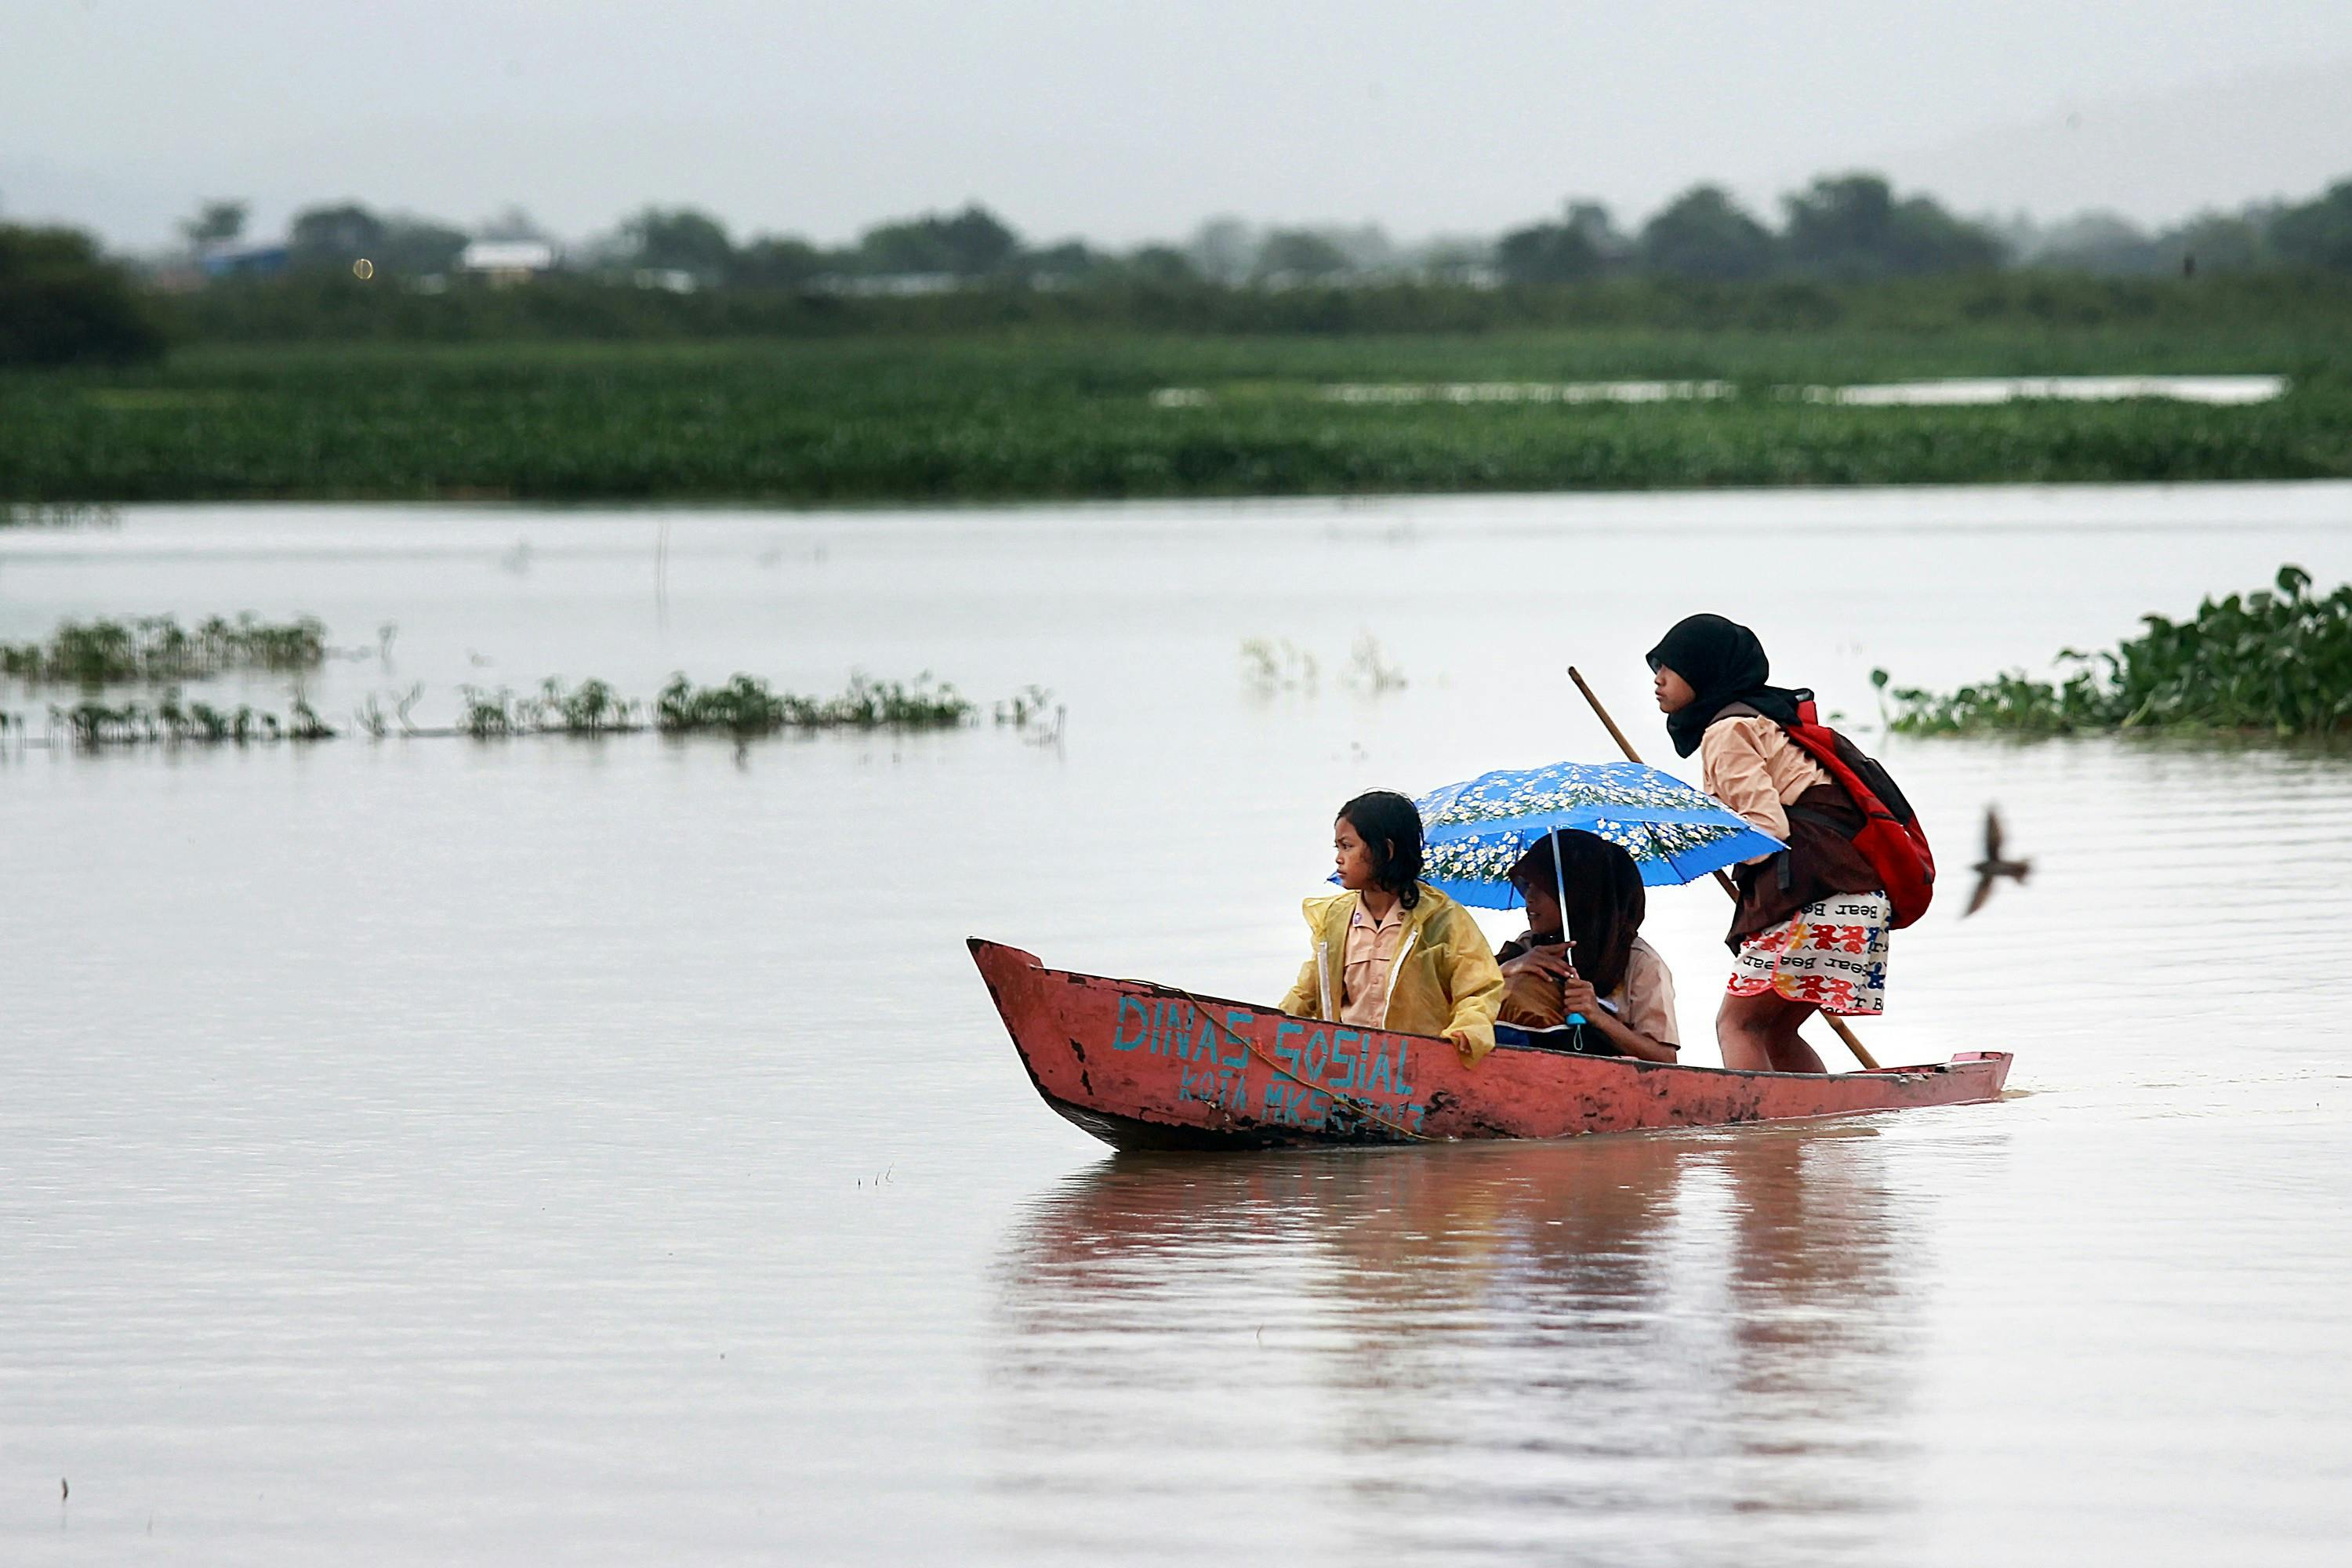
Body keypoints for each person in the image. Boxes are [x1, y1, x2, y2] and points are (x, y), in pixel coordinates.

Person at [1648, 614, 1889, 1074]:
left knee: (1736, 1026)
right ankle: (1808, 1126)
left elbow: (1766, 829)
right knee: (1774, 1030)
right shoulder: (1761, 719)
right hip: (1854, 897)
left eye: (1669, 667)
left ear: (1702, 673)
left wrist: (1692, 839)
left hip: (1818, 899)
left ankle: (1755, 1132)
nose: (1657, 680)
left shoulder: (1727, 730)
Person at [1278, 789, 1506, 1065]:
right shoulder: (1334, 919)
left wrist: (1468, 1029)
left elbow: (1479, 988)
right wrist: (1271, 1027)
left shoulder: (1442, 919)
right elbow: (1308, 993)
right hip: (1346, 1067)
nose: (1339, 858)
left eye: (1347, 846)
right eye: (1337, 848)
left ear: (1386, 850)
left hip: (1416, 1067)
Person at [1493, 830, 1680, 1062]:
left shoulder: (1639, 962)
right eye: (1527, 886)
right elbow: (1462, 999)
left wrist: (1597, 1015)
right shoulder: (1527, 945)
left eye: (1543, 886)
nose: (1530, 897)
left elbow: (1664, 1058)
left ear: (1579, 893)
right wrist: (1508, 969)